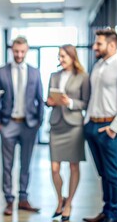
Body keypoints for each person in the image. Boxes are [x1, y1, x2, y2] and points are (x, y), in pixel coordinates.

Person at [83, 29, 117, 222]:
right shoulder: (98, 66)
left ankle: (113, 216)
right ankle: (106, 211)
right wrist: (86, 122)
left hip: (110, 128)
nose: (94, 46)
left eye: (99, 43)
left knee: (113, 174)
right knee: (103, 173)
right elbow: (94, 97)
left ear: (112, 45)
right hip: (93, 126)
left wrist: (114, 127)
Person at [0, 36, 44, 216]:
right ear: (12, 50)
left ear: (27, 51)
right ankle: (9, 200)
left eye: (22, 51)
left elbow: (40, 99)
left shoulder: (35, 72)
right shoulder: (1, 71)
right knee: (7, 165)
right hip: (8, 124)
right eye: (16, 51)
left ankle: (23, 198)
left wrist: (38, 123)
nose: (19, 54)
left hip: (29, 125)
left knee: (26, 164)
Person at [46, 44, 90, 222]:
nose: (60, 60)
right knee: (54, 168)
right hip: (56, 124)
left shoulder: (83, 77)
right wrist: (50, 102)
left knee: (73, 166)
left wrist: (69, 102)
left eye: (63, 56)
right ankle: (59, 200)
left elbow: (86, 102)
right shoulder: (53, 76)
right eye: (59, 56)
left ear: (73, 57)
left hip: (74, 126)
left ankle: (69, 203)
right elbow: (48, 99)